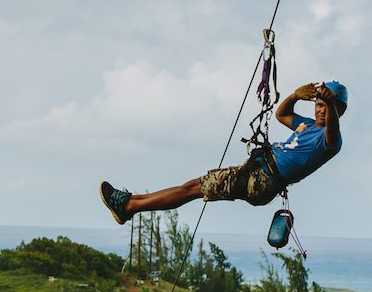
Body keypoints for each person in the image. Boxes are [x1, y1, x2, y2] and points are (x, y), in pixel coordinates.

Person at [100, 81, 347, 223]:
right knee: (192, 186)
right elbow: (282, 114)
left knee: (192, 190)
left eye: (327, 108)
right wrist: (295, 95)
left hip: (261, 181)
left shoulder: (329, 141)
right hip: (257, 173)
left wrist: (331, 105)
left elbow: (333, 130)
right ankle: (130, 201)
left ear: (338, 111)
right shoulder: (306, 125)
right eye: (319, 105)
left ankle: (129, 206)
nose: (321, 111)